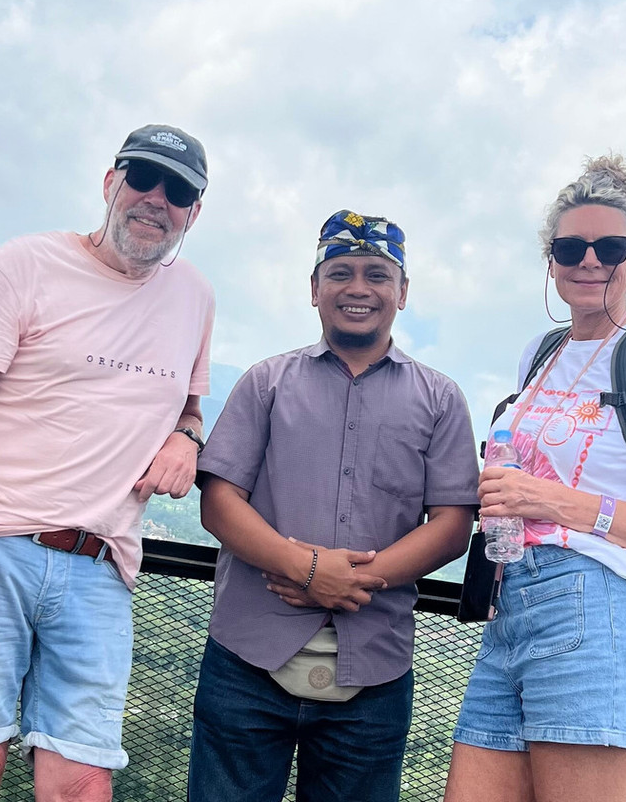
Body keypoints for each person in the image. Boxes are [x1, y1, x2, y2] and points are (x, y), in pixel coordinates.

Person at [0, 124, 216, 802]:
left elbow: (189, 407)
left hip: (103, 566)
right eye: (143, 178)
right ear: (110, 183)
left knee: (82, 778)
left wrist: (188, 440)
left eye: (179, 190)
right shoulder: (21, 266)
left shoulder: (194, 295)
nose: (156, 199)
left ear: (194, 211)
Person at [443, 154, 626, 802]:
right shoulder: (541, 354)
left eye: (610, 246)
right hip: (512, 603)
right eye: (571, 246)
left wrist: (556, 501)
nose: (590, 260)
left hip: (598, 605)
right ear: (550, 258)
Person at [189, 210, 479, 802]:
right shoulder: (265, 382)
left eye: (377, 274)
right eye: (340, 272)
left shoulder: (441, 398)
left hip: (374, 674)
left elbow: (452, 524)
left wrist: (351, 581)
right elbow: (219, 502)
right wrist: (311, 573)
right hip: (245, 665)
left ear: (402, 292)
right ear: (314, 288)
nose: (358, 288)